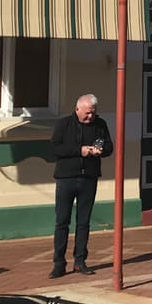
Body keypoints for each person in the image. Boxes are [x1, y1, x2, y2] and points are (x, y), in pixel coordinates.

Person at [51, 94, 113, 279]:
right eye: (87, 113)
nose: (90, 117)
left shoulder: (100, 125)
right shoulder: (64, 124)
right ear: (78, 109)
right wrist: (80, 151)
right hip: (66, 178)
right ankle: (59, 263)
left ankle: (80, 261)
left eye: (93, 113)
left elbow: (109, 146)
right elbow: (55, 148)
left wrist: (100, 151)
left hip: (89, 178)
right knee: (62, 221)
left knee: (83, 222)